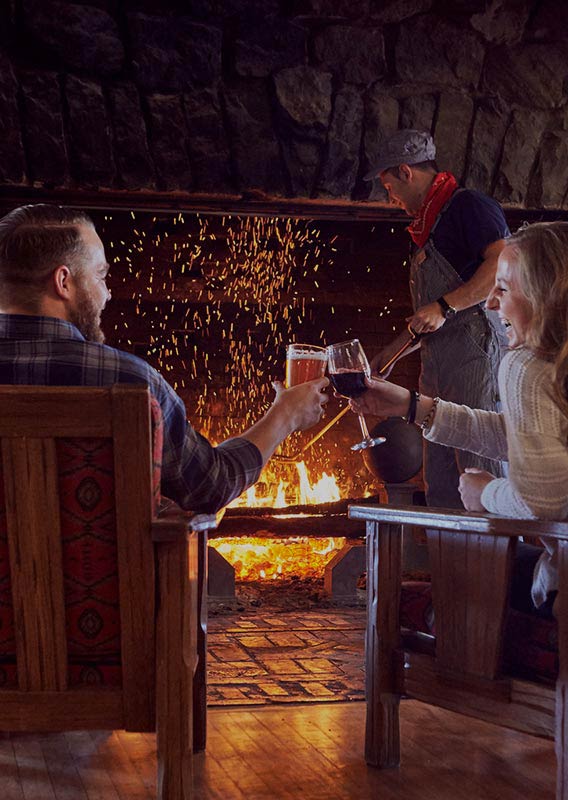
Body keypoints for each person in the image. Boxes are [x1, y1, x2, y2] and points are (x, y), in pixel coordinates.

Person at [0, 204, 329, 514]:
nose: (108, 293)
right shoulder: (129, 380)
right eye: (100, 276)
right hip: (111, 576)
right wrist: (285, 414)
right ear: (63, 282)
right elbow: (209, 487)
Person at [349, 220, 568, 614]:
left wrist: (485, 493)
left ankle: (436, 676)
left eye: (502, 288)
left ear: (544, 296)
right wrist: (411, 406)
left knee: (427, 597)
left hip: (560, 590)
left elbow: (545, 500)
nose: (489, 304)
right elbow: (527, 435)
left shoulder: (525, 366)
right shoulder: (556, 368)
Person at [364, 129, 510, 509]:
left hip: (477, 361)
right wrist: (390, 356)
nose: (389, 197)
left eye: (388, 184)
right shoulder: (429, 227)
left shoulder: (469, 207)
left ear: (406, 172)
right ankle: (449, 569)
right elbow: (428, 319)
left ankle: (497, 568)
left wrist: (446, 306)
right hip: (439, 370)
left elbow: (502, 264)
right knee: (442, 481)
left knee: (480, 471)